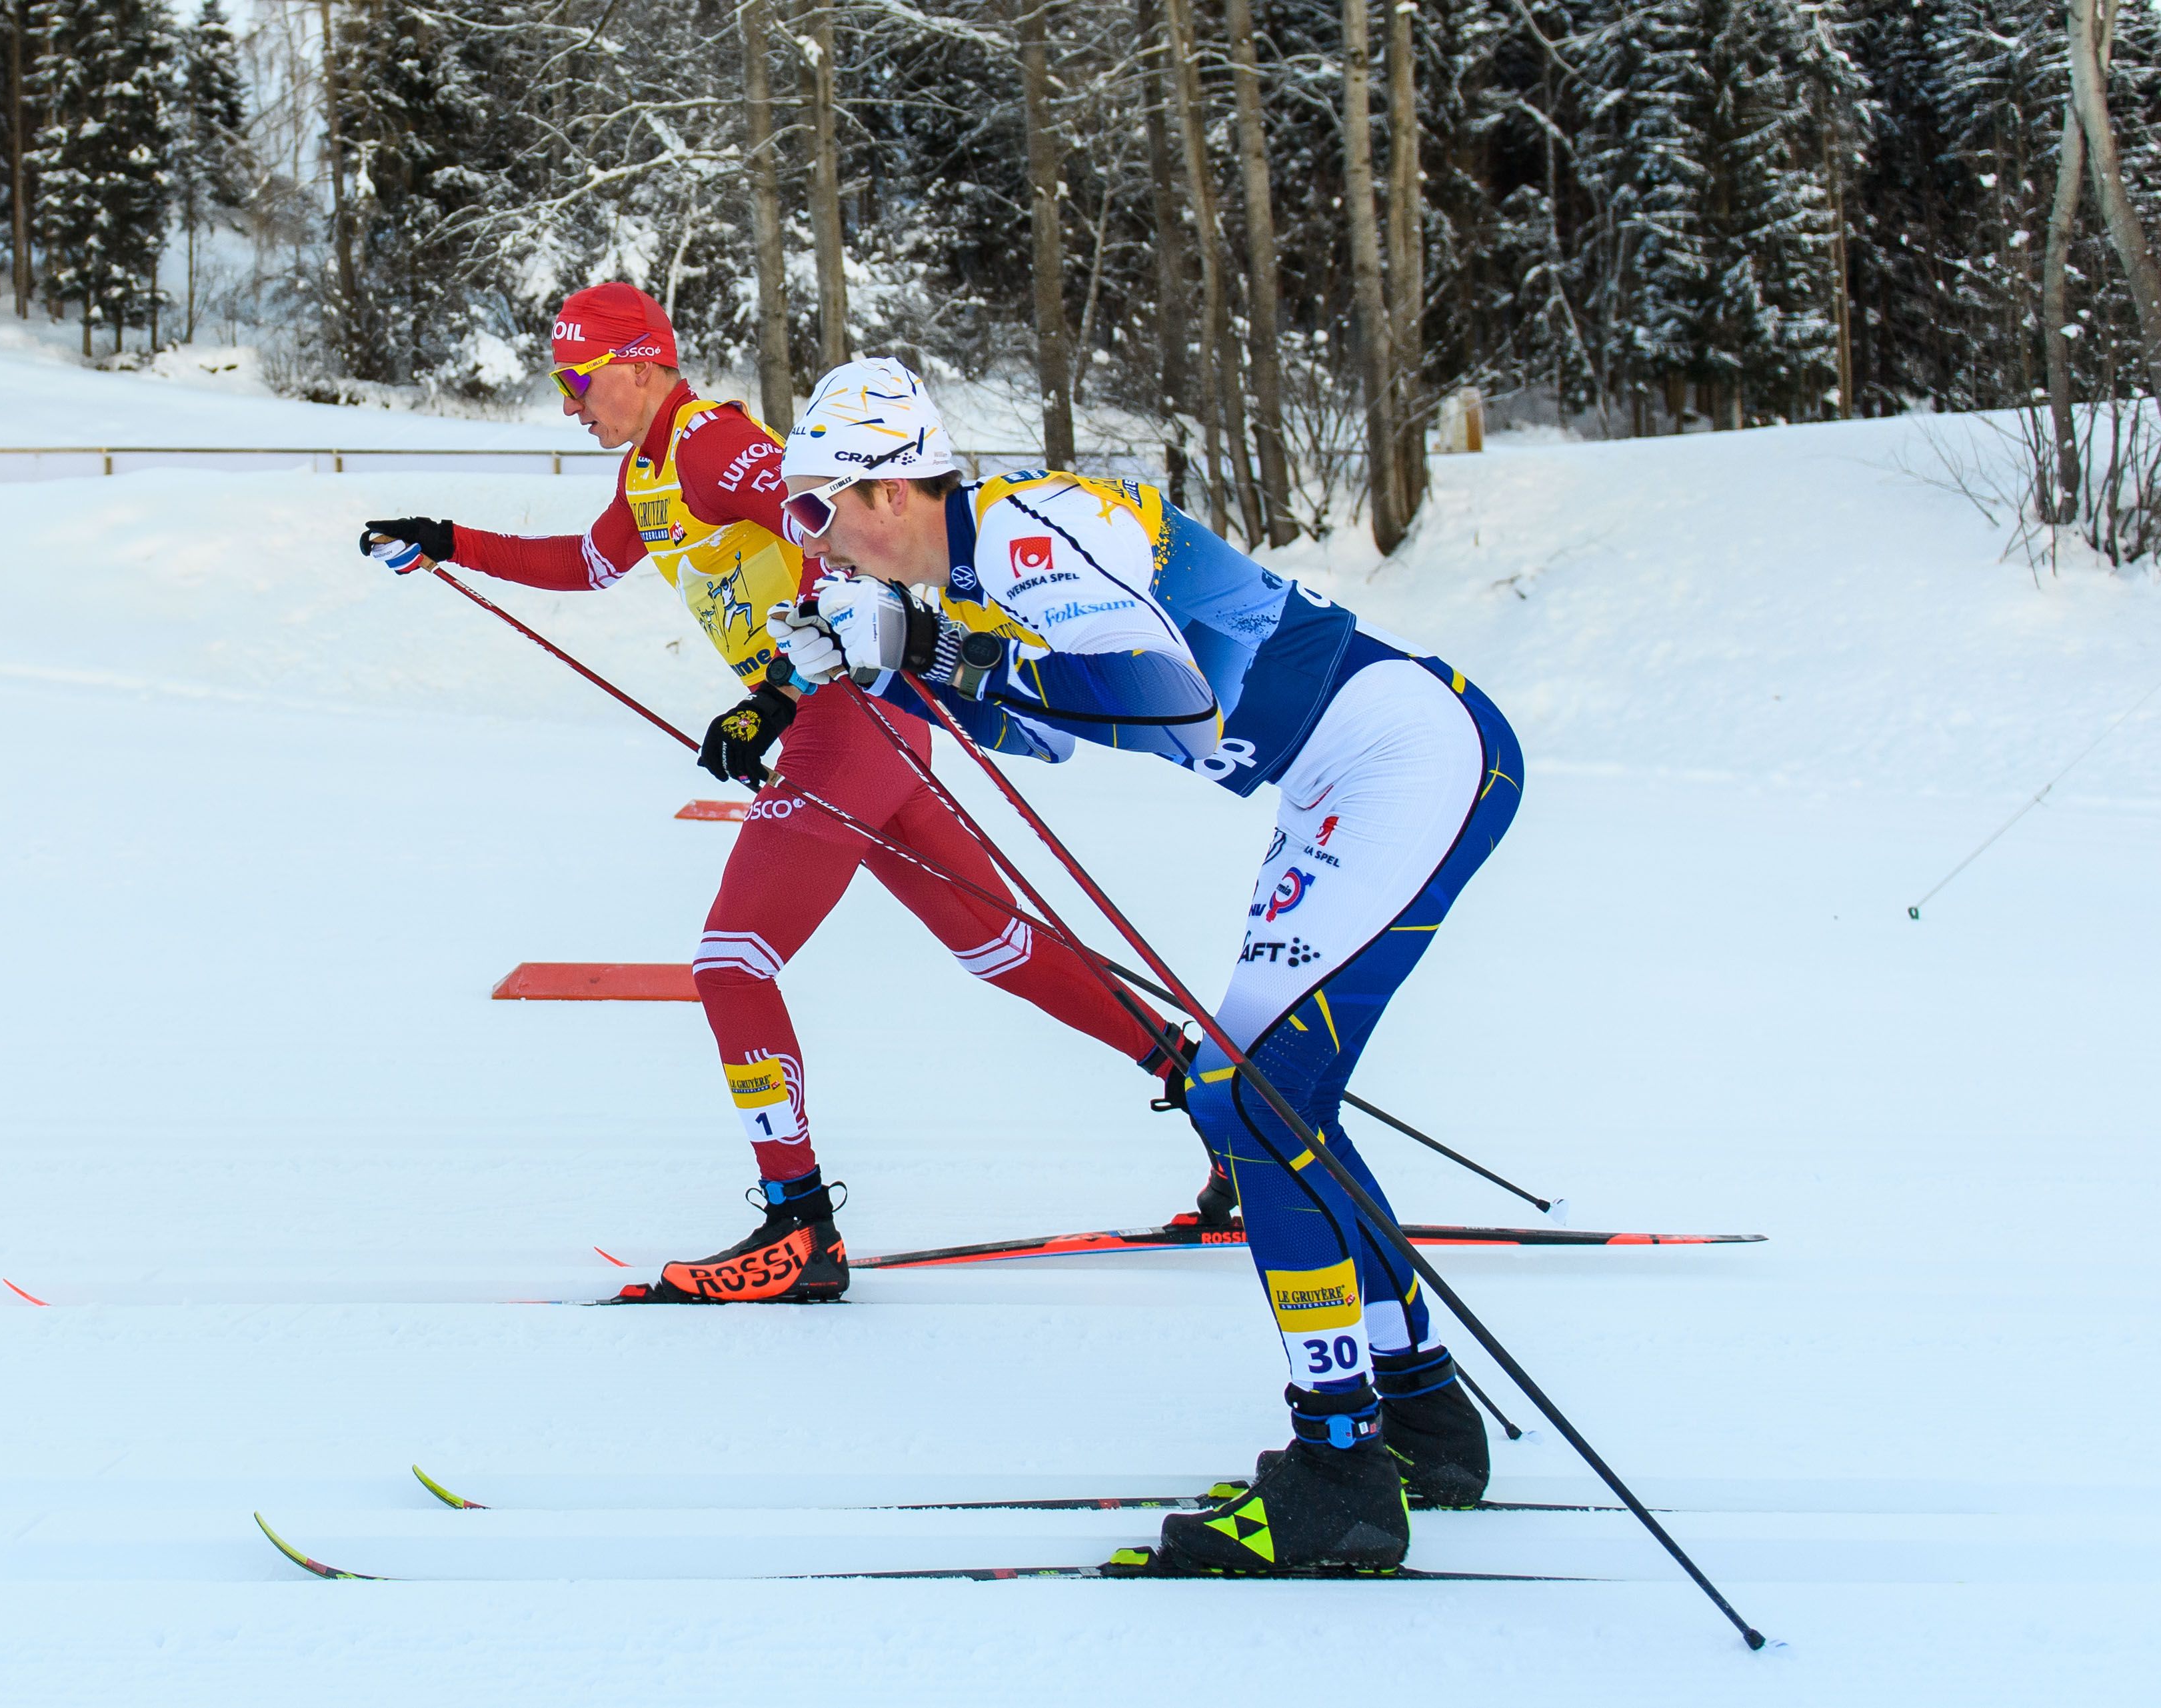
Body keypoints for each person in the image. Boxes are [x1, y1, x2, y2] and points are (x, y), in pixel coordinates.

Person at [773, 356, 1522, 1572]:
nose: (813, 539)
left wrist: (924, 644)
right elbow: (1052, 729)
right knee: (1274, 1100)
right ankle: (1419, 1417)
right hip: (1343, 774)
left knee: (1254, 1101)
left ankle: (1338, 1478)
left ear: (891, 490)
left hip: (1400, 753)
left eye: (819, 506)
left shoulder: (1024, 531)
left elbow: (1175, 702)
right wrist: (895, 665)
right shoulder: (978, 572)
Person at [357, 285, 1184, 1305]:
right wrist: (450, 540)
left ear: (642, 363)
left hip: (847, 716)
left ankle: (798, 1226)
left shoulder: (710, 441)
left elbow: (819, 536)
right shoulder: (652, 466)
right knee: (1000, 948)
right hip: (865, 724)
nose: (572, 403)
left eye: (579, 381)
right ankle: (1213, 1094)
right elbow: (586, 561)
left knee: (731, 964)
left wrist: (778, 700)